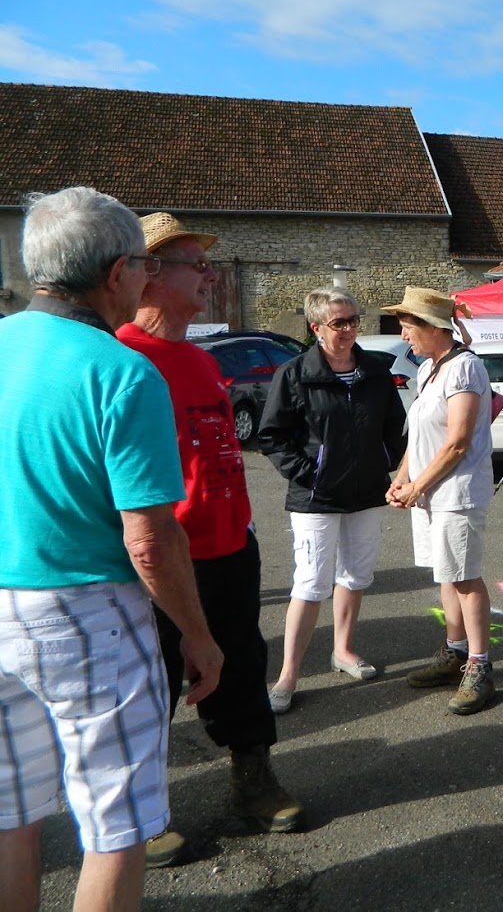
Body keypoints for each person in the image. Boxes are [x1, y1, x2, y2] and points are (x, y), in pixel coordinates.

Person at [0, 187, 223, 912]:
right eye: (143, 266)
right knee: (115, 827)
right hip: (85, 612)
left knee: (11, 816)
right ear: (119, 272)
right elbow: (151, 539)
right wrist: (196, 635)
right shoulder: (121, 370)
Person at [118, 213, 304, 867]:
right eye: (195, 264)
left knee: (243, 666)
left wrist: (243, 528)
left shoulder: (201, 360)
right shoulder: (122, 357)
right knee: (149, 685)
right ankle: (137, 812)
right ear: (149, 274)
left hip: (230, 546)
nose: (210, 276)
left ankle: (253, 778)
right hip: (164, 555)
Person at [258, 287, 407, 714]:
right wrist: (310, 473)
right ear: (317, 328)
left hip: (367, 492)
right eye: (339, 322)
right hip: (316, 497)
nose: (348, 329)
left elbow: (395, 425)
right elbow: (272, 436)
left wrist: (384, 462)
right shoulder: (294, 373)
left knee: (355, 576)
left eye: (353, 320)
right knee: (310, 583)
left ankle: (343, 650)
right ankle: (288, 674)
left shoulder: (375, 370)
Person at [384, 287, 497, 715]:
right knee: (446, 575)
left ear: (433, 327)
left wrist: (417, 487)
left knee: (464, 578)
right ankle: (455, 652)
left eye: (407, 326)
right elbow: (421, 437)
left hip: (457, 493)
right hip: (432, 492)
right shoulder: (429, 369)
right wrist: (402, 478)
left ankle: (479, 666)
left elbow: (457, 443)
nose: (403, 335)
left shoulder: (464, 368)